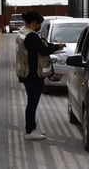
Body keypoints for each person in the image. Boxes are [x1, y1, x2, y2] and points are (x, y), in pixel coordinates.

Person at [16, 11, 66, 140]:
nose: (39, 26)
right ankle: (30, 130)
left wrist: (54, 46)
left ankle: (31, 127)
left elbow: (39, 46)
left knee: (31, 102)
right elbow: (43, 50)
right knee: (32, 103)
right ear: (34, 23)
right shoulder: (31, 36)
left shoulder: (22, 32)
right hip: (33, 74)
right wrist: (57, 47)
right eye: (39, 24)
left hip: (25, 72)